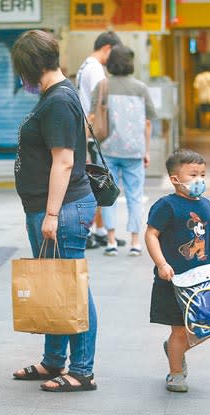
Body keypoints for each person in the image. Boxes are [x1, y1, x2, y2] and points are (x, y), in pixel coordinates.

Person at [10, 30, 98, 392]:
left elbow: (63, 161)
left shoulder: (58, 100)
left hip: (61, 209)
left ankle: (81, 370)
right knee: (54, 285)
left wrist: (50, 214)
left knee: (73, 288)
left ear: (30, 66)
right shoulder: (57, 95)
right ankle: (53, 361)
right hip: (53, 207)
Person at [145, 149, 210, 393]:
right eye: (193, 174)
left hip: (202, 280)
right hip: (174, 281)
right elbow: (151, 235)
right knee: (179, 329)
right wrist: (162, 263)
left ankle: (175, 348)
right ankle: (176, 374)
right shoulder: (166, 206)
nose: (200, 180)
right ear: (176, 179)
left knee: (208, 327)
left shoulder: (207, 206)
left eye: (203, 174)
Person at [90, 45, 156, 257]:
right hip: (135, 151)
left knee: (108, 194)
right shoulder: (141, 88)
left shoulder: (102, 86)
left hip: (107, 149)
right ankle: (135, 242)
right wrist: (146, 150)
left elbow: (92, 117)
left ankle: (111, 241)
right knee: (135, 195)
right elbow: (147, 122)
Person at [76, 30, 123, 249]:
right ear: (107, 48)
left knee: (97, 182)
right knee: (97, 183)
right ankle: (90, 232)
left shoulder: (86, 65)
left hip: (88, 131)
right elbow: (100, 104)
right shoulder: (95, 69)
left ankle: (100, 231)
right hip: (94, 133)